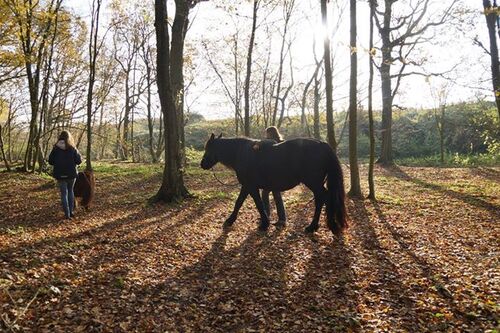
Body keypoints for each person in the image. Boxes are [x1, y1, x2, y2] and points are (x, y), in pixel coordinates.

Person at [48, 131, 82, 220]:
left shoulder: (55, 148)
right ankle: (71, 212)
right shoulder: (72, 148)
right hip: (71, 174)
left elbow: (50, 161)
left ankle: (67, 214)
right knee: (70, 191)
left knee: (63, 194)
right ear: (69, 137)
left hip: (60, 174)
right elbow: (79, 161)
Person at [260, 126, 287, 226]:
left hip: (273, 174)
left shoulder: (272, 142)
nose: (266, 135)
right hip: (274, 173)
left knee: (269, 194)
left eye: (267, 133)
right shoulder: (280, 142)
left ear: (270, 133)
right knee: (274, 195)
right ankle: (281, 219)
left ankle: (267, 216)